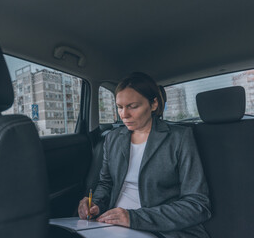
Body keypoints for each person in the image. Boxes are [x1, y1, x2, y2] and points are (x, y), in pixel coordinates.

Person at [78, 72, 211, 238]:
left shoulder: (179, 137)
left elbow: (197, 205)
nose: (124, 115)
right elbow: (106, 183)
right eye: (120, 107)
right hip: (110, 224)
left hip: (162, 230)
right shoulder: (112, 138)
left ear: (153, 104)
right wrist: (95, 203)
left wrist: (133, 218)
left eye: (133, 106)